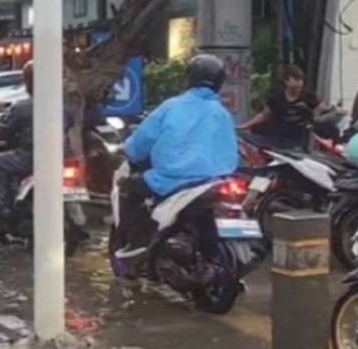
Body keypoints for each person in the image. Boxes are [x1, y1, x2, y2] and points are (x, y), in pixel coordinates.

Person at [117, 53, 239, 253]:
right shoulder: (222, 113)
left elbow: (139, 145)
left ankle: (136, 243)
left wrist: (130, 149)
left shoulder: (171, 107)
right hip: (217, 182)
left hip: (172, 180)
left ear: (190, 78)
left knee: (127, 186)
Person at [0, 61, 39, 236]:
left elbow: (4, 130)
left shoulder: (22, 107)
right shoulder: (68, 103)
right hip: (65, 157)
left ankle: (2, 210)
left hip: (31, 156)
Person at [238, 64, 326, 149]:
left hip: (298, 142)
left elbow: (322, 106)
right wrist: (245, 126)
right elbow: (264, 114)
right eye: (296, 79)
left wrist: (313, 116)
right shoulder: (277, 98)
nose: (299, 83)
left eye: (301, 80)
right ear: (286, 80)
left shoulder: (308, 96)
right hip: (277, 140)